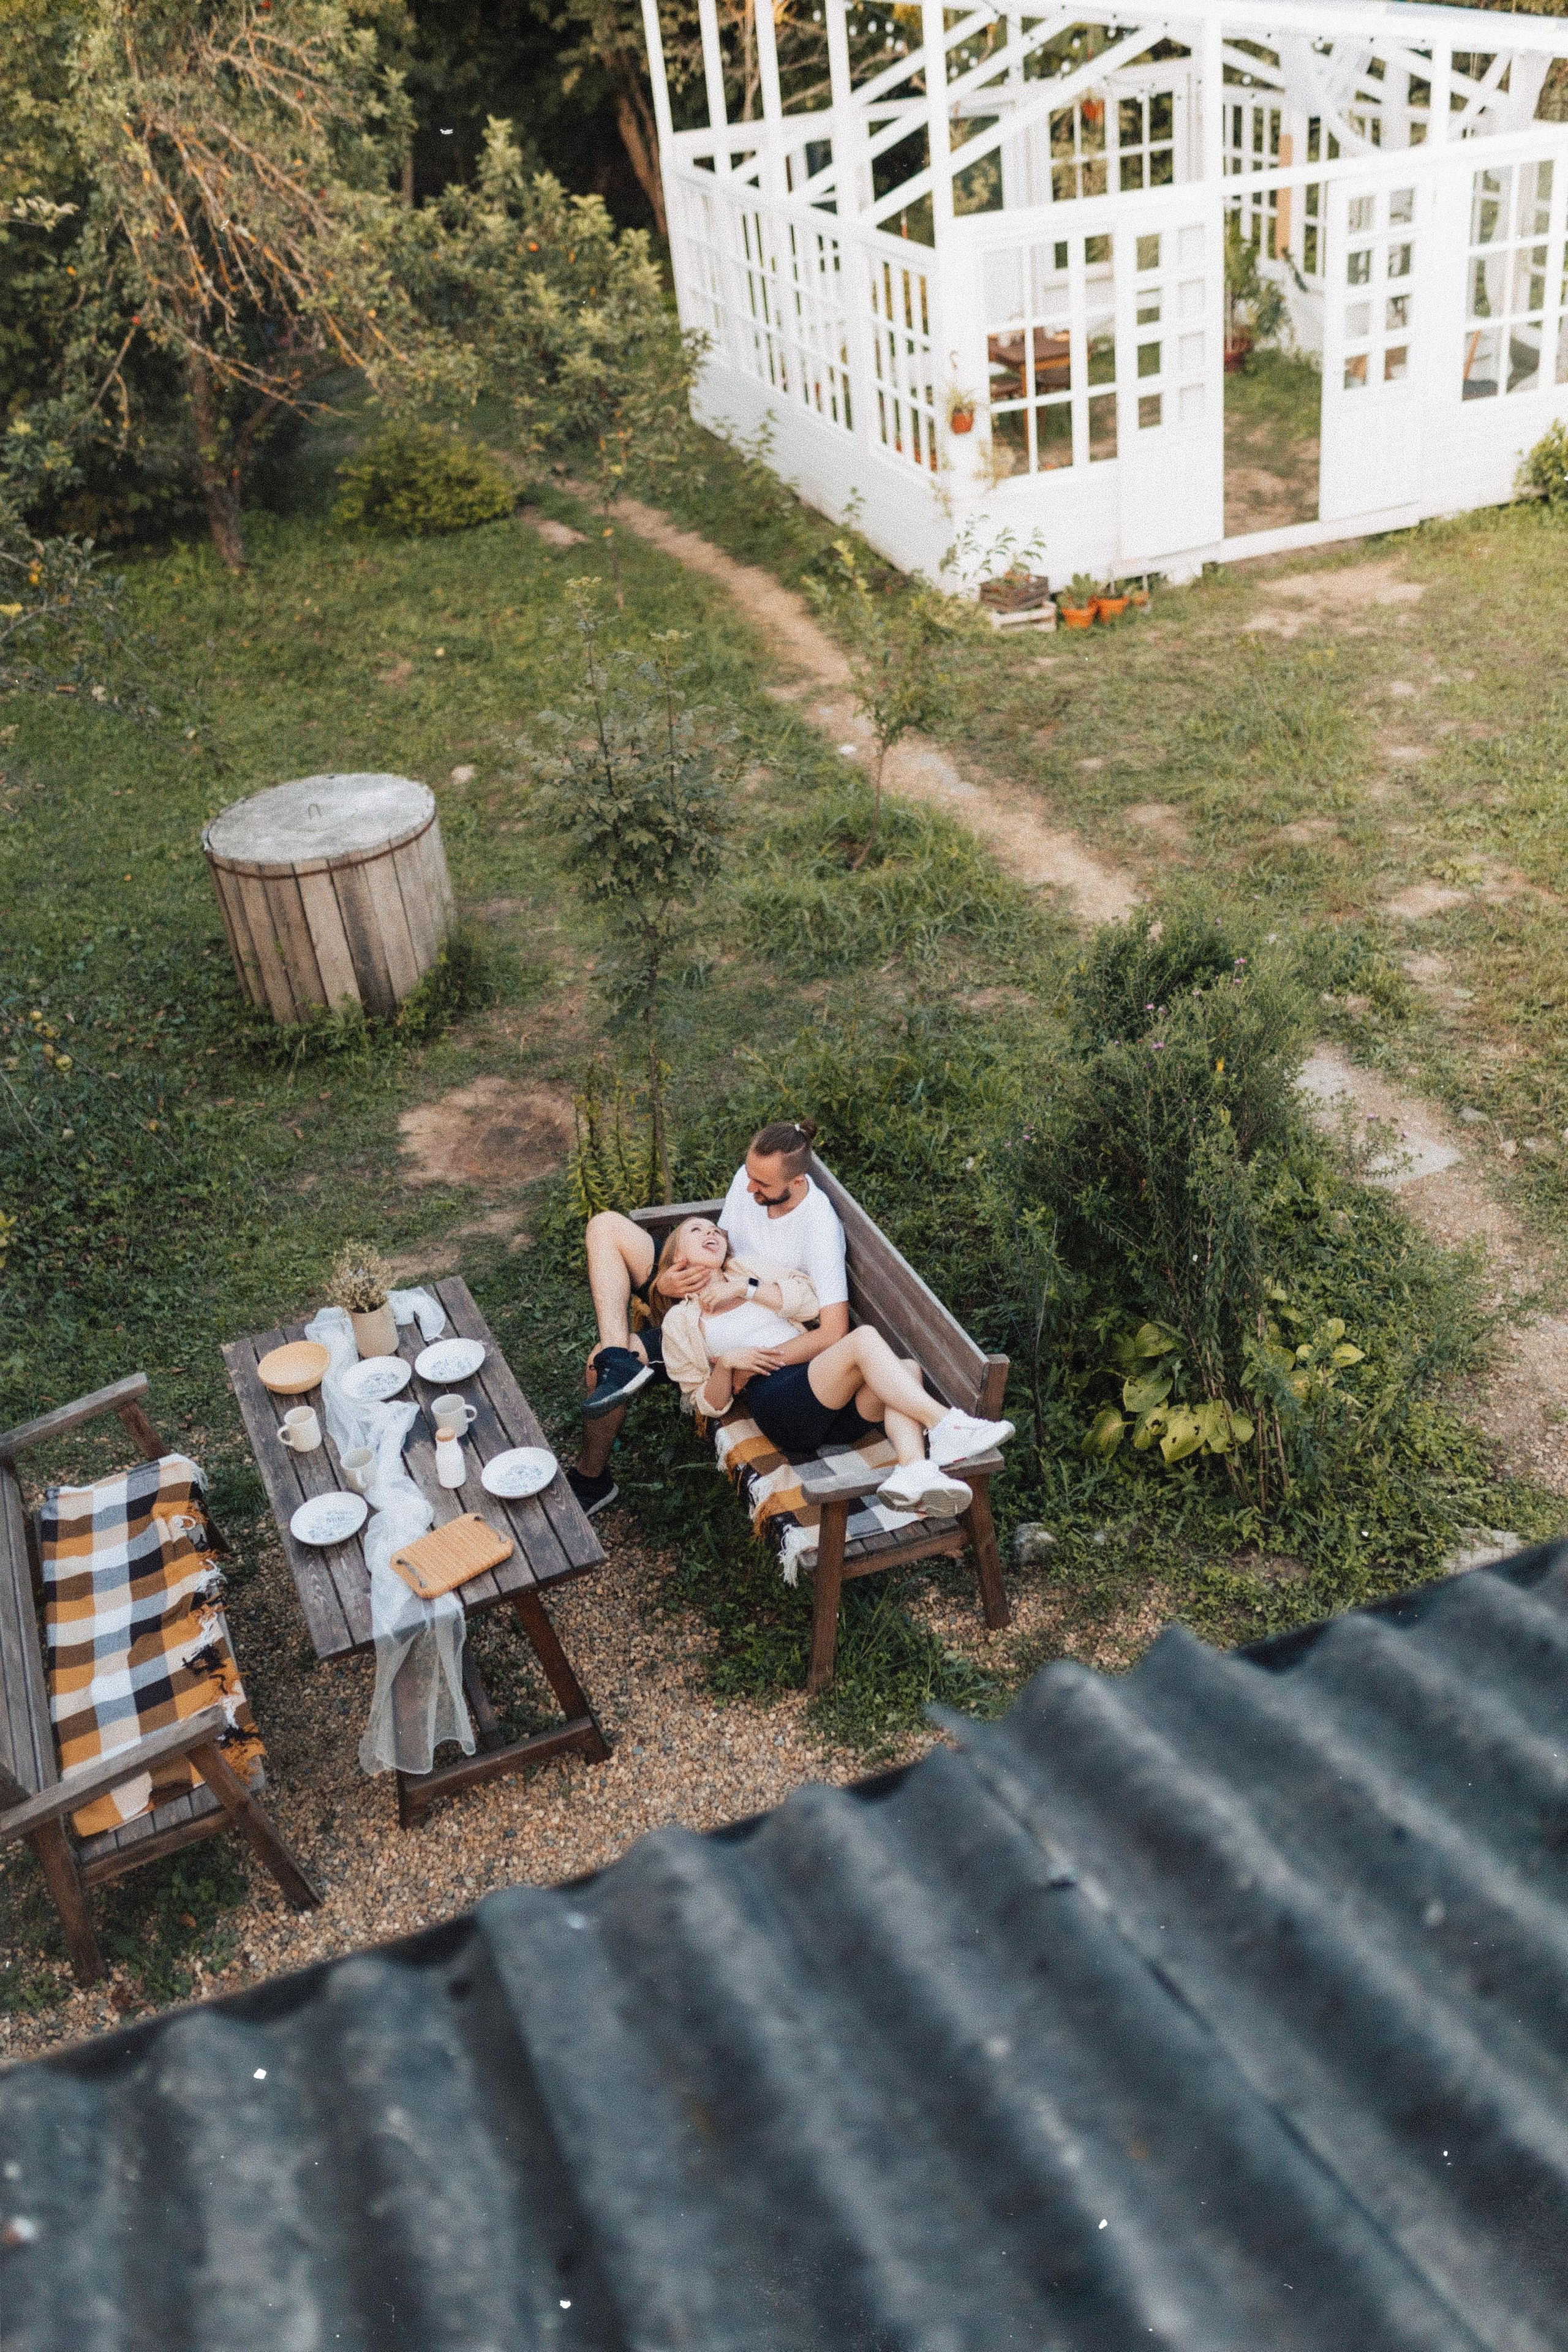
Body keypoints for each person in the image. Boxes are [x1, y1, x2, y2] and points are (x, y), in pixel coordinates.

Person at [564, 1117, 851, 1518]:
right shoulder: (752, 1179)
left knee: (594, 1364)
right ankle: (619, 1361)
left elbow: (834, 1329)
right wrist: (666, 1281)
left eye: (762, 1186)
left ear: (797, 1184)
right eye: (748, 1176)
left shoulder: (818, 1226)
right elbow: (721, 1239)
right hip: (707, 1278)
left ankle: (592, 1471)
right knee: (605, 1227)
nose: (748, 1187)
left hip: (738, 1317)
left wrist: (744, 1367)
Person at [652, 1215, 1014, 1513]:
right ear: (675, 1256)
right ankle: (945, 1425)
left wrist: (745, 1288)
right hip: (780, 1403)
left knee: (908, 1370)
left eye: (714, 1229)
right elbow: (705, 1402)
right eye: (696, 1230)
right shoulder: (681, 1322)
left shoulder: (746, 1270)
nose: (711, 1232)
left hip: (827, 1402)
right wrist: (727, 1365)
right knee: (864, 1338)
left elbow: (810, 1304)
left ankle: (914, 1471)